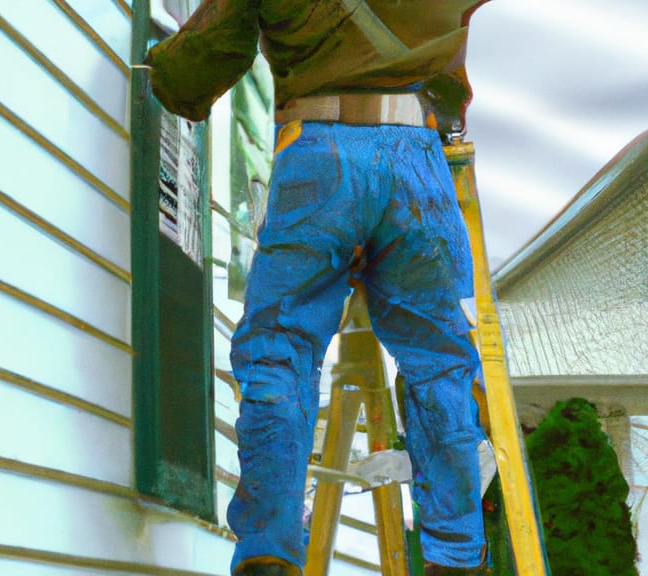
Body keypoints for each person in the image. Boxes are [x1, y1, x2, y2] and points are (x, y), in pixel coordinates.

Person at [146, 2, 492, 575]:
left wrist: (158, 69)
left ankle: (268, 552)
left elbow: (197, 66)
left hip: (318, 152)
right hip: (419, 158)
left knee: (280, 350)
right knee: (439, 361)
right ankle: (456, 556)